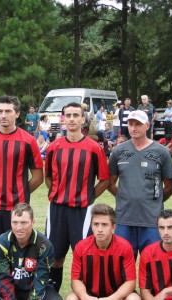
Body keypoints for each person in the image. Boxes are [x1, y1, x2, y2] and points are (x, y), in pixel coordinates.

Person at [44, 102, 110, 291]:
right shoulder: (54, 146)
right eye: (68, 115)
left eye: (76, 115)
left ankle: (85, 294)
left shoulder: (93, 148)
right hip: (57, 209)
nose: (72, 119)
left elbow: (104, 179)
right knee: (55, 256)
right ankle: (52, 293)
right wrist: (56, 192)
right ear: (63, 119)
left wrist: (88, 197)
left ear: (83, 119)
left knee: (85, 255)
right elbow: (47, 176)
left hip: (82, 210)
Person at [0, 95, 44, 247]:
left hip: (18, 207)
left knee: (18, 249)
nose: (3, 115)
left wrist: (21, 192)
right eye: (0, 111)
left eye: (8, 111)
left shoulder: (28, 141)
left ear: (17, 113)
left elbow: (38, 176)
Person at [108, 110, 172, 255]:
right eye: (130, 124)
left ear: (147, 125)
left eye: (138, 124)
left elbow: (170, 185)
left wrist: (155, 200)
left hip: (152, 220)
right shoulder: (118, 151)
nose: (133, 128)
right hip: (124, 219)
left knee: (152, 266)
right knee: (123, 267)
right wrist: (124, 196)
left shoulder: (161, 152)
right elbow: (110, 182)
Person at [0, 203, 61, 300]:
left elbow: (40, 280)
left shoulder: (44, 245)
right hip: (9, 289)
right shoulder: (1, 242)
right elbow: (3, 279)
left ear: (33, 222)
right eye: (15, 222)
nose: (19, 227)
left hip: (34, 289)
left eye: (24, 222)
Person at [67, 204, 139, 300]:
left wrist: (111, 298)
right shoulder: (81, 247)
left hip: (116, 295)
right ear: (91, 226)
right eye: (96, 224)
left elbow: (130, 282)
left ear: (113, 227)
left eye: (104, 225)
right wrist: (85, 296)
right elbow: (75, 280)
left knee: (133, 298)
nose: (99, 229)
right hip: (89, 295)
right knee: (71, 298)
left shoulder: (125, 247)